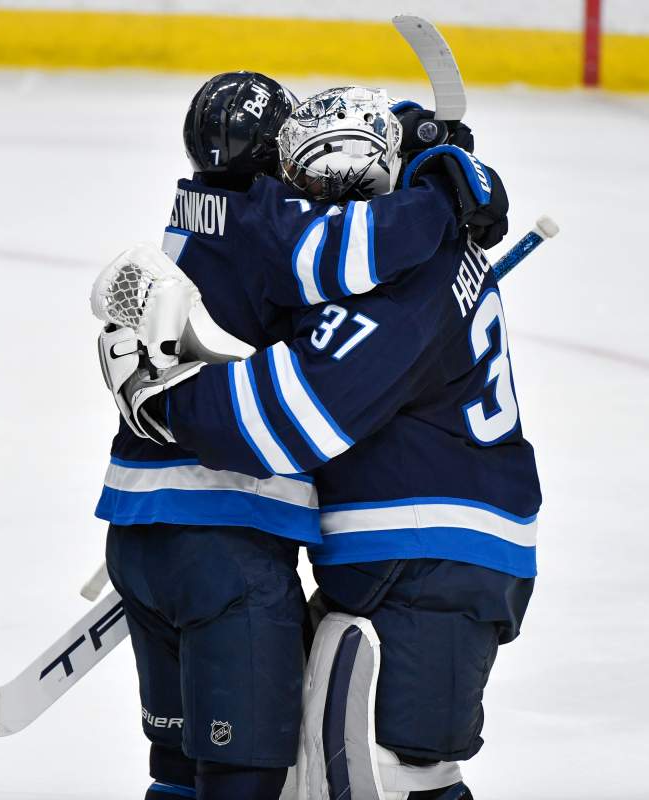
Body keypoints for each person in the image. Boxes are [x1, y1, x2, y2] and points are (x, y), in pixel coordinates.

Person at [102, 83, 536, 800]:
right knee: (324, 772)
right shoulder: (410, 219)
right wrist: (443, 159)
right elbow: (360, 148)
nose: (304, 194)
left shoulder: (394, 278)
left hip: (428, 550)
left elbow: (286, 419)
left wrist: (162, 404)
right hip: (410, 548)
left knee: (396, 777)